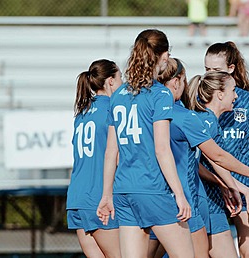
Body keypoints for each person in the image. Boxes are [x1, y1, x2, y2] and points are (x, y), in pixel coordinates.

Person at [96, 29, 195, 258]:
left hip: (123, 190)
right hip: (151, 188)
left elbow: (111, 152)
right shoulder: (160, 94)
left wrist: (106, 195)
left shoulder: (119, 94)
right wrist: (179, 194)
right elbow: (162, 150)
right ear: (165, 55)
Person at [205, 41, 249, 258]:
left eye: (216, 70)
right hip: (213, 185)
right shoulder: (199, 100)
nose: (210, 75)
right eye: (207, 69)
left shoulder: (248, 100)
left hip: (248, 185)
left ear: (231, 69)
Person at [67, 59, 122, 258]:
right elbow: (115, 155)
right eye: (120, 78)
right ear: (110, 82)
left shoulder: (82, 113)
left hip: (76, 197)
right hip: (98, 196)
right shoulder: (113, 109)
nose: (122, 83)